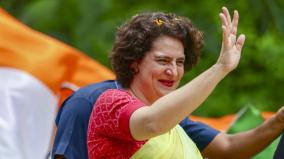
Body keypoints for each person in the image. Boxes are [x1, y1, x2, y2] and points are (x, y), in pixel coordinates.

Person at [52, 7, 284, 159]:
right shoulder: (105, 102)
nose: (173, 71)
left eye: (180, 62)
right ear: (134, 62)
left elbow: (228, 147)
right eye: (162, 60)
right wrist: (220, 68)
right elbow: (151, 123)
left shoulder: (173, 118)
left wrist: (278, 122)